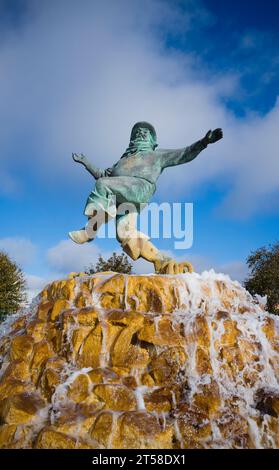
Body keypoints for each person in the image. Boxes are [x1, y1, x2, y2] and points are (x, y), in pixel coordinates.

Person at [69, 122, 223, 274]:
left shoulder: (157, 155)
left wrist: (204, 142)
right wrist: (86, 163)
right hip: (122, 194)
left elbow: (184, 154)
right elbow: (103, 176)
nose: (140, 135)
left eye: (144, 133)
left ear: (151, 140)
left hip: (140, 187)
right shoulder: (121, 162)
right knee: (125, 234)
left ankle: (89, 232)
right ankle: (161, 261)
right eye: (137, 133)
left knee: (103, 186)